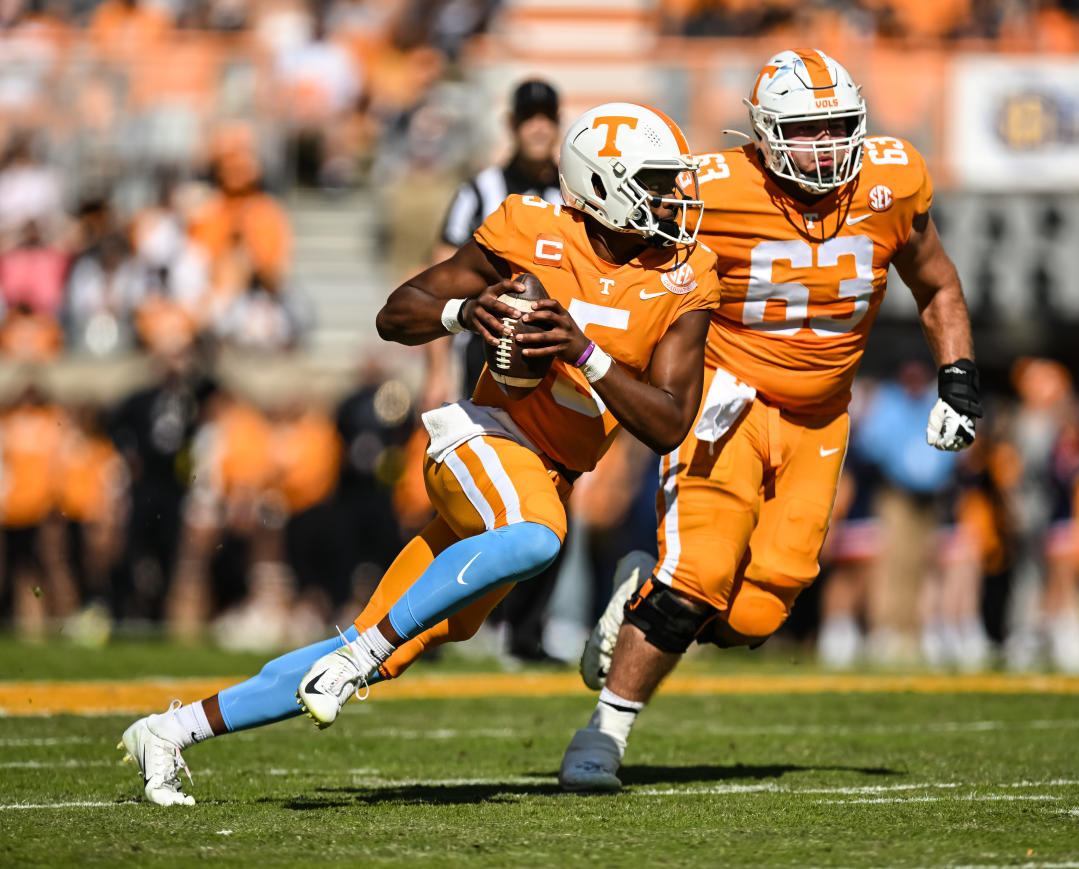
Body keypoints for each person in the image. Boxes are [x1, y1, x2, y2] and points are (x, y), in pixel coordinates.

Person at [117, 101, 720, 807]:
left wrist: (582, 350)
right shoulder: (531, 231)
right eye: (652, 181)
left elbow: (670, 422)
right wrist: (462, 313)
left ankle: (169, 730)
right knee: (535, 536)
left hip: (547, 472)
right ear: (602, 184)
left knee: (387, 637)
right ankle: (357, 657)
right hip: (482, 437)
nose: (670, 198)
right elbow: (396, 312)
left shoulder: (685, 273)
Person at [558, 49, 981, 791]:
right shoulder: (708, 187)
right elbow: (609, 238)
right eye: (803, 131)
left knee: (755, 612)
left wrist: (958, 379)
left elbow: (937, 283)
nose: (823, 148)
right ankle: (604, 731)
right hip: (726, 401)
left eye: (836, 128)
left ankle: (642, 597)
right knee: (699, 574)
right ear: (759, 134)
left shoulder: (890, 178)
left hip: (821, 417)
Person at [425, 79, 566, 661]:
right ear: (512, 124)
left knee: (554, 492)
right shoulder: (480, 189)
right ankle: (426, 625)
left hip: (551, 366)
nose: (538, 126)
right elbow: (436, 274)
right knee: (461, 490)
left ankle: (526, 634)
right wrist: (436, 367)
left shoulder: (574, 188)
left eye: (547, 116)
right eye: (528, 116)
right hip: (482, 361)